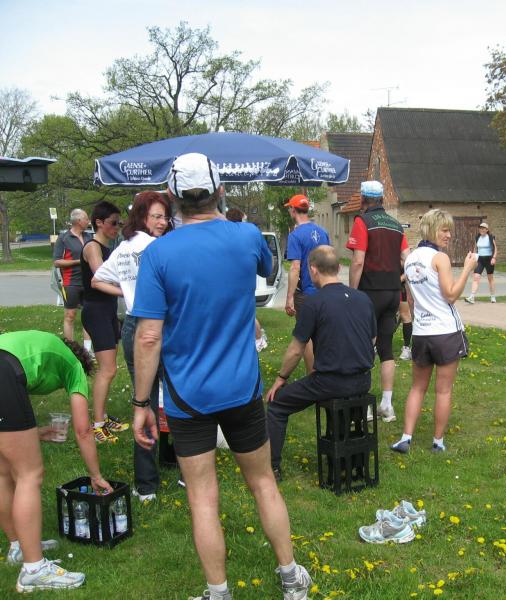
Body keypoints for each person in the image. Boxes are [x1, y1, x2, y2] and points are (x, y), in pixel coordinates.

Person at [130, 152, 311, 600]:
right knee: (263, 482)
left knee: (202, 497)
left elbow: (148, 337)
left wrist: (141, 404)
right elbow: (266, 268)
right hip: (241, 387)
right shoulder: (246, 235)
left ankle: (219, 592)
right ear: (221, 190)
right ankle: (291, 577)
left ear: (171, 196)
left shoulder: (158, 253)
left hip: (187, 393)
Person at [0, 330, 113, 593]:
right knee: (29, 474)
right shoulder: (74, 366)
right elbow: (83, 431)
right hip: (4, 372)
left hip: (5, 370)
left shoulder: (41, 345)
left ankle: (18, 547)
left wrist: (36, 433)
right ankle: (34, 570)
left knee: (3, 472)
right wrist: (96, 475)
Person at [266, 245, 376, 479]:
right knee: (338, 396)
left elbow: (296, 350)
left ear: (313, 270)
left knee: (277, 405)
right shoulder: (363, 299)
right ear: (337, 268)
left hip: (330, 382)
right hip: (363, 380)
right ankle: (348, 461)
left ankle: (271, 467)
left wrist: (281, 378)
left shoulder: (313, 303)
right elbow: (372, 339)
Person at [91, 191, 172, 501]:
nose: (163, 222)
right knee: (173, 394)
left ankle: (146, 485)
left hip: (132, 323)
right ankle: (179, 463)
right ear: (141, 217)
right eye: (157, 216)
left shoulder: (123, 247)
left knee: (143, 399)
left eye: (165, 216)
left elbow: (97, 279)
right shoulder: (157, 247)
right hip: (158, 323)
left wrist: (127, 293)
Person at [391, 209, 477, 454]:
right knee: (443, 389)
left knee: (417, 387)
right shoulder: (440, 258)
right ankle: (438, 442)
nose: (449, 235)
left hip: (421, 332)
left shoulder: (410, 259)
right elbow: (450, 295)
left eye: (450, 230)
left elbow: (411, 299)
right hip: (445, 331)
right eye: (444, 230)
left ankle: (406, 437)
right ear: (431, 230)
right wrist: (468, 268)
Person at [346, 181, 409, 423]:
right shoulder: (396, 224)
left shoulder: (363, 222)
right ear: (382, 199)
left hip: (370, 292)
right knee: (386, 348)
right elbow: (406, 258)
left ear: (363, 199)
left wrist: (352, 293)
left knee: (363, 346)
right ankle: (387, 405)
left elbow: (358, 261)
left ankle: (364, 407)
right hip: (393, 292)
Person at [81, 201, 127, 443]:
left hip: (108, 310)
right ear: (99, 222)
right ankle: (98, 425)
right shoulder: (92, 247)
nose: (117, 227)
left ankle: (103, 416)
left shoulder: (110, 247)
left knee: (110, 368)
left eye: (120, 223)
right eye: (113, 223)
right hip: (96, 311)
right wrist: (128, 289)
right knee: (107, 369)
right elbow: (102, 277)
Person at [283, 194, 330, 372]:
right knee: (323, 333)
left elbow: (295, 267)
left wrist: (289, 297)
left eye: (289, 208)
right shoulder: (323, 232)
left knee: (306, 336)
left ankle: (313, 375)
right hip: (324, 290)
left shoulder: (295, 235)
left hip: (306, 293)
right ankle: (325, 370)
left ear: (293, 210)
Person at [225, 207, 268, 352]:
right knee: (247, 314)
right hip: (244, 283)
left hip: (232, 283)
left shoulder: (225, 237)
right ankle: (258, 339)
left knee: (244, 315)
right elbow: (265, 267)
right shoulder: (248, 235)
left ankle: (259, 339)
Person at [52, 209, 93, 350]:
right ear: (78, 221)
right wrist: (78, 262)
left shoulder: (88, 237)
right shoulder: (64, 238)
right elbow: (57, 262)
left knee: (88, 315)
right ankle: (71, 349)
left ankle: (88, 350)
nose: (88, 221)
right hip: (71, 282)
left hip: (88, 282)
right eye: (86, 219)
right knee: (70, 315)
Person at [465, 222, 498, 304]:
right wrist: (473, 256)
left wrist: (494, 258)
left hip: (489, 259)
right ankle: (472, 297)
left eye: (483, 228)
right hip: (480, 260)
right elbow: (475, 248)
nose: (481, 230)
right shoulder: (477, 237)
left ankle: (493, 296)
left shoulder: (490, 237)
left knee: (490, 278)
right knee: (476, 277)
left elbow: (495, 249)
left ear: (487, 230)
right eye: (480, 228)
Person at [397, 274, 413, 360]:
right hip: (381, 287)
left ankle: (406, 349)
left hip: (397, 287)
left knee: (405, 315)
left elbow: (407, 272)